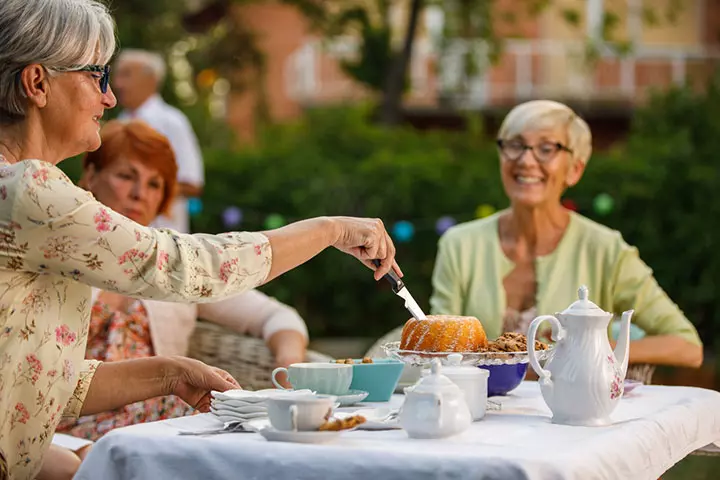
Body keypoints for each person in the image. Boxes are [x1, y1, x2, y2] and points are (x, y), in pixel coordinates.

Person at [0, 1, 400, 478]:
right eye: (97, 76)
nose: (109, 98)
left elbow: (36, 383)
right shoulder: (27, 190)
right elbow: (184, 266)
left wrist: (173, 373)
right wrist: (329, 230)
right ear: (37, 83)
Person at [369, 100, 702, 370]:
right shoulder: (460, 244)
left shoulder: (605, 249)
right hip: (478, 419)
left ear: (575, 169)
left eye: (546, 148)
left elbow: (688, 346)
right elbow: (441, 348)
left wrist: (596, 348)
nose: (526, 161)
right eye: (515, 145)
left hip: (570, 427)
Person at [51, 119, 309, 442]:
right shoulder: (57, 250)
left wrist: (289, 368)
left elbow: (278, 317)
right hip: (67, 428)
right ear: (91, 176)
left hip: (157, 427)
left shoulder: (176, 266)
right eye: (125, 176)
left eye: (154, 185)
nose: (138, 194)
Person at [113, 49, 203, 233]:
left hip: (162, 236)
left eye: (126, 75)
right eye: (118, 75)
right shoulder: (120, 121)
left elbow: (192, 183)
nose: (117, 83)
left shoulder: (172, 122)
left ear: (151, 80)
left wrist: (140, 194)